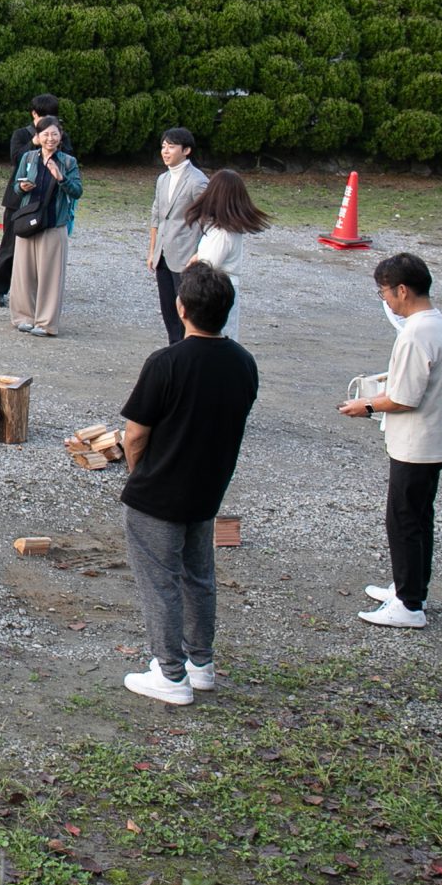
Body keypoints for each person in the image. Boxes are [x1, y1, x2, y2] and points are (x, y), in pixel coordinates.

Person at [115, 263, 259, 705]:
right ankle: (202, 664)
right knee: (199, 577)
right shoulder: (243, 363)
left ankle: (170, 673)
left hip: (158, 492)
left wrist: (137, 471)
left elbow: (135, 433)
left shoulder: (166, 362)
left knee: (160, 582)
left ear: (181, 307)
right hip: (207, 488)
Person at [339, 252, 442, 629]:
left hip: (417, 444)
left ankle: (409, 605)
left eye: (384, 292)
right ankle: (411, 586)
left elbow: (404, 398)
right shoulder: (436, 323)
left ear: (403, 290)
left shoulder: (415, 334)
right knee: (419, 518)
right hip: (434, 441)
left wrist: (367, 406)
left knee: (404, 520)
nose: (385, 300)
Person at [5, 118, 83, 335]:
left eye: (54, 134)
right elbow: (15, 188)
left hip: (53, 223)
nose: (50, 138)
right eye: (45, 134)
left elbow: (77, 191)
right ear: (37, 137)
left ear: (60, 137)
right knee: (23, 273)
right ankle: (23, 317)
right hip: (28, 221)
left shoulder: (68, 162)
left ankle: (46, 323)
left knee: (51, 275)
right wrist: (22, 187)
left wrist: (61, 178)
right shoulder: (28, 158)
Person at [184, 168, 272, 338]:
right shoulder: (225, 229)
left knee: (217, 336)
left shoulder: (223, 233)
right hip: (223, 288)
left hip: (215, 292)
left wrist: (193, 265)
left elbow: (208, 266)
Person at [0, 94, 60, 307]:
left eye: (52, 116)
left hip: (45, 199)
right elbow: (15, 158)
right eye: (43, 116)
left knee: (41, 249)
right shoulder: (21, 134)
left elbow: (67, 159)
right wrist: (34, 142)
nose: (48, 121)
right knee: (10, 246)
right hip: (18, 199)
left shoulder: (58, 136)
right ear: (34, 114)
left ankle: (33, 294)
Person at [143, 127, 209, 344]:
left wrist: (199, 253)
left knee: (186, 311)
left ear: (186, 150)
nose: (165, 151)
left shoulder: (197, 181)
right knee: (168, 309)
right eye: (163, 146)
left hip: (185, 255)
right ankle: (174, 347)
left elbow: (208, 220)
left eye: (171, 147)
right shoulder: (162, 179)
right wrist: (152, 250)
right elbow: (156, 216)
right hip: (163, 253)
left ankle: (186, 349)